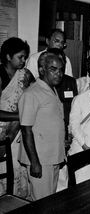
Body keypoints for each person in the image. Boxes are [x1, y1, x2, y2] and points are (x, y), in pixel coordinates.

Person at [18, 51, 66, 200]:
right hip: (40, 159)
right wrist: (35, 162)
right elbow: (26, 130)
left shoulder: (52, 90)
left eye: (61, 70)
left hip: (53, 157)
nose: (58, 74)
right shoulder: (31, 93)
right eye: (53, 69)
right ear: (41, 70)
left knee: (49, 201)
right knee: (42, 203)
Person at [0, 37, 34, 198]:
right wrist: (20, 115)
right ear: (8, 56)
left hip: (19, 133)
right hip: (2, 133)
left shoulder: (25, 75)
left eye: (25, 57)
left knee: (18, 170)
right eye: (20, 57)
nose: (23, 61)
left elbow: (36, 95)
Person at [48, 48, 78, 192]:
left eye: (63, 62)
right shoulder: (45, 83)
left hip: (67, 130)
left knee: (64, 172)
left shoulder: (71, 81)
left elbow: (74, 108)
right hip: (51, 134)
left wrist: (71, 131)